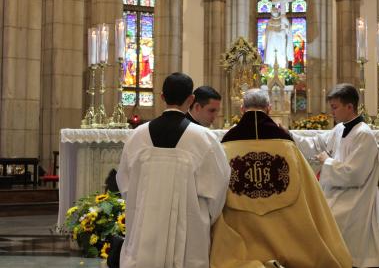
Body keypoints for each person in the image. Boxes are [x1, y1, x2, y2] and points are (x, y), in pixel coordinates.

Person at [210, 88, 352, 268]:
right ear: (269, 108)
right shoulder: (286, 144)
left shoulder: (228, 144)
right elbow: (309, 190)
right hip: (287, 235)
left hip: (241, 230)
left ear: (242, 109)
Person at [116, 72, 231, 268]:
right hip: (188, 238)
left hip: (143, 233)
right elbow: (218, 189)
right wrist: (203, 218)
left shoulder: (137, 136)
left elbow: (125, 186)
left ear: (161, 96)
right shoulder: (203, 138)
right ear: (191, 99)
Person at [293, 83, 379, 268]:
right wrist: (289, 137)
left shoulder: (364, 135)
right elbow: (317, 144)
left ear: (349, 107)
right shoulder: (340, 129)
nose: (332, 112)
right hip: (338, 193)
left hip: (355, 199)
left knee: (339, 238)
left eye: (335, 107)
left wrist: (326, 161)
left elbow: (354, 174)